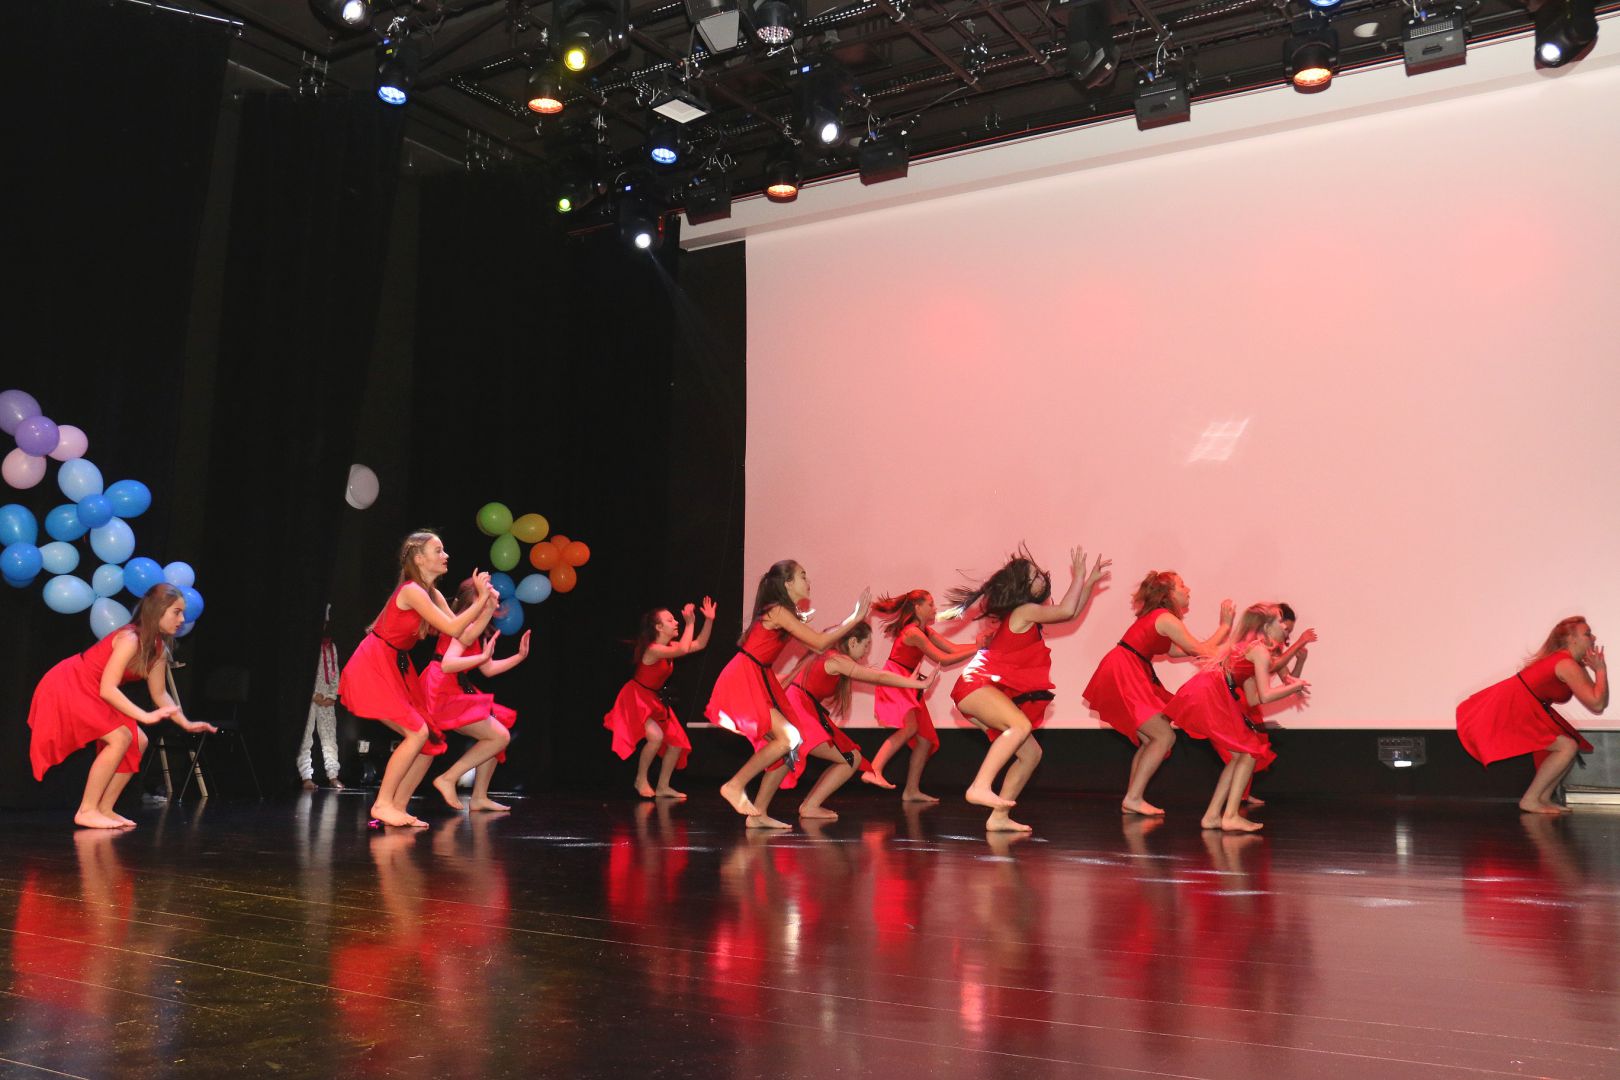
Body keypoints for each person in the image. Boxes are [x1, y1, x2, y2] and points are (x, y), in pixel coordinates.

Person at [945, 545, 1110, 832]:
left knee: (1030, 755)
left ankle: (999, 817)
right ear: (1022, 587)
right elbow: (1066, 610)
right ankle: (979, 786)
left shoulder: (1027, 614)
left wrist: (1089, 583)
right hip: (976, 684)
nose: (1040, 578)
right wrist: (1079, 576)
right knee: (1019, 725)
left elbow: (1069, 614)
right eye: (1033, 576)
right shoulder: (1023, 611)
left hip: (980, 687)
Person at [28, 583, 217, 829]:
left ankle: (104, 809)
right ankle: (87, 810)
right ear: (157, 610)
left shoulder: (159, 648)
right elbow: (108, 688)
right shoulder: (130, 639)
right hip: (72, 682)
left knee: (139, 741)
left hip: (94, 689)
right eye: (176, 612)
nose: (182, 619)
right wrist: (144, 716)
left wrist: (185, 723)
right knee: (120, 738)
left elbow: (160, 694)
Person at [339, 531, 492, 828]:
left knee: (430, 738)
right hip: (375, 663)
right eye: (439, 550)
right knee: (416, 732)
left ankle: (398, 806)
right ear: (419, 559)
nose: (446, 555)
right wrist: (481, 599)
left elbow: (462, 634)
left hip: (397, 665)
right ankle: (382, 804)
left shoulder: (432, 594)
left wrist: (485, 608)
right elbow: (452, 627)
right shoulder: (412, 591)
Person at [705, 559, 870, 829]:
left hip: (759, 676)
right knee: (789, 737)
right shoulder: (778, 611)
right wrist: (854, 619)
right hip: (746, 676)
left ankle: (757, 814)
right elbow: (819, 644)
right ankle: (734, 785)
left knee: (791, 744)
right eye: (803, 576)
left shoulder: (784, 613)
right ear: (788, 583)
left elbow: (812, 644)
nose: (808, 581)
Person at [1082, 570, 1234, 816]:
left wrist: (1218, 640)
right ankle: (1133, 798)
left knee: (1152, 739)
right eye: (1182, 586)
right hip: (1125, 669)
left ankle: (1132, 798)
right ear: (1168, 593)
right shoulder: (1165, 618)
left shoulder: (1161, 618)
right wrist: (1226, 630)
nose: (1188, 590)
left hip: (1128, 667)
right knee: (1164, 736)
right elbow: (1200, 650)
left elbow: (1178, 651)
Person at [754, 621, 933, 822]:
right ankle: (788, 809)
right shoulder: (836, 659)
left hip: (799, 707)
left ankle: (764, 813)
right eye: (866, 645)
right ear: (853, 641)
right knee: (848, 758)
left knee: (794, 757)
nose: (866, 652)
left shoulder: (826, 655)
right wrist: (915, 683)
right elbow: (878, 677)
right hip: (798, 709)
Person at [1165, 603, 1309, 832]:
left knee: (1240, 756)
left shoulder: (1252, 650)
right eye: (1280, 622)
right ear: (1267, 626)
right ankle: (1230, 815)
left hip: (1211, 691)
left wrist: (1291, 684)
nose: (1285, 627)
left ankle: (1213, 816)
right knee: (1249, 752)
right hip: (1212, 693)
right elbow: (1266, 695)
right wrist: (1295, 686)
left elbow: (1252, 699)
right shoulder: (1259, 651)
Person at [1457, 617, 1607, 814]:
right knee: (1567, 746)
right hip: (1515, 704)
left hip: (1527, 704)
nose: (1593, 637)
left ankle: (1542, 798)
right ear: (1572, 639)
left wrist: (1598, 670)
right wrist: (1601, 670)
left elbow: (1598, 702)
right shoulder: (1565, 663)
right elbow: (1597, 703)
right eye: (1587, 634)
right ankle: (1530, 799)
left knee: (1568, 746)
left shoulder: (1571, 663)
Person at [414, 579, 531, 813]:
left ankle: (479, 797)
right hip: (442, 686)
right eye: (490, 592)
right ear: (477, 600)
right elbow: (448, 664)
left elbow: (487, 669)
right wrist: (481, 657)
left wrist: (519, 656)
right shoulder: (464, 624)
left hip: (453, 684)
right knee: (499, 736)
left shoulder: (473, 627)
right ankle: (448, 778)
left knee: (497, 732)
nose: (496, 595)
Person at [862, 589, 979, 802]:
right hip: (897, 681)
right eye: (930, 604)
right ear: (917, 607)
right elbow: (944, 659)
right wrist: (978, 648)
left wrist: (980, 646)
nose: (935, 609)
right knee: (910, 728)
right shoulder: (912, 633)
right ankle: (873, 770)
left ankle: (911, 791)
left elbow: (952, 648)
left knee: (925, 740)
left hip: (910, 685)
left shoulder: (924, 631)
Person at [604, 597, 717, 799]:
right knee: (656, 737)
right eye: (670, 620)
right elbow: (683, 649)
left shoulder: (669, 647)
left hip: (653, 699)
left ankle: (663, 786)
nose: (676, 622)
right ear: (658, 627)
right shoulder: (653, 649)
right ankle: (640, 779)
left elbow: (699, 644)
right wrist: (690, 623)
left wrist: (708, 620)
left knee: (676, 742)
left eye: (675, 619)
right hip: (636, 698)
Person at [297, 614, 343, 790]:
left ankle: (333, 775)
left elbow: (335, 671)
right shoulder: (304, 646)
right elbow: (300, 674)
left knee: (329, 737)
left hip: (326, 698)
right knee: (305, 737)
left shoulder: (330, 646)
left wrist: (332, 695)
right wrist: (312, 694)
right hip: (310, 698)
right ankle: (306, 776)